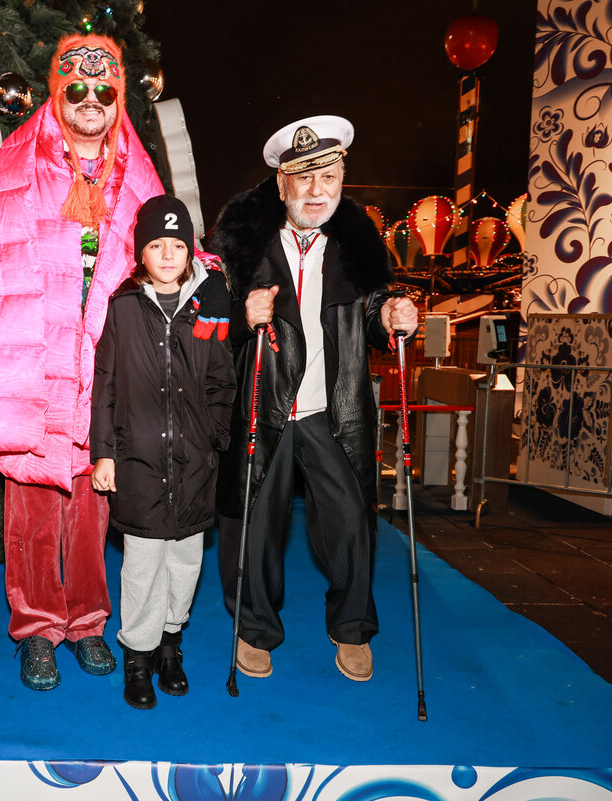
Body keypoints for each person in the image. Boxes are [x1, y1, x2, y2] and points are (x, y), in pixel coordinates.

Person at [0, 33, 166, 690]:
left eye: (105, 91)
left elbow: (166, 269)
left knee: (92, 508)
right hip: (32, 368)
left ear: (118, 102)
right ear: (58, 94)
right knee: (30, 514)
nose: (91, 101)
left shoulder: (136, 181)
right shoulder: (13, 173)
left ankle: (85, 621)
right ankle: (35, 628)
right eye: (77, 89)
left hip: (102, 372)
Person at [208, 116, 419, 684]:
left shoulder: (357, 247)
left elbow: (375, 310)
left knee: (351, 522)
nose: (317, 189)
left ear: (343, 176)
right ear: (281, 185)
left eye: (328, 174)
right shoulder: (241, 250)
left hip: (333, 409)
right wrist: (239, 318)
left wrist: (395, 316)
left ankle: (351, 628)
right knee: (255, 523)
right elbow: (206, 324)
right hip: (265, 405)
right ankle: (255, 630)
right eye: (302, 178)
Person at [90, 195, 235, 709]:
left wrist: (215, 437)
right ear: (140, 253)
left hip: (195, 464)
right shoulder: (123, 308)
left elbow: (222, 379)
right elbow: (105, 383)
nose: (169, 254)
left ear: (190, 251)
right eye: (157, 245)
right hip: (139, 463)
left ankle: (170, 645)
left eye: (178, 245)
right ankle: (138, 654)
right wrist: (104, 453)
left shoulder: (208, 307)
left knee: (185, 562)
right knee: (142, 564)